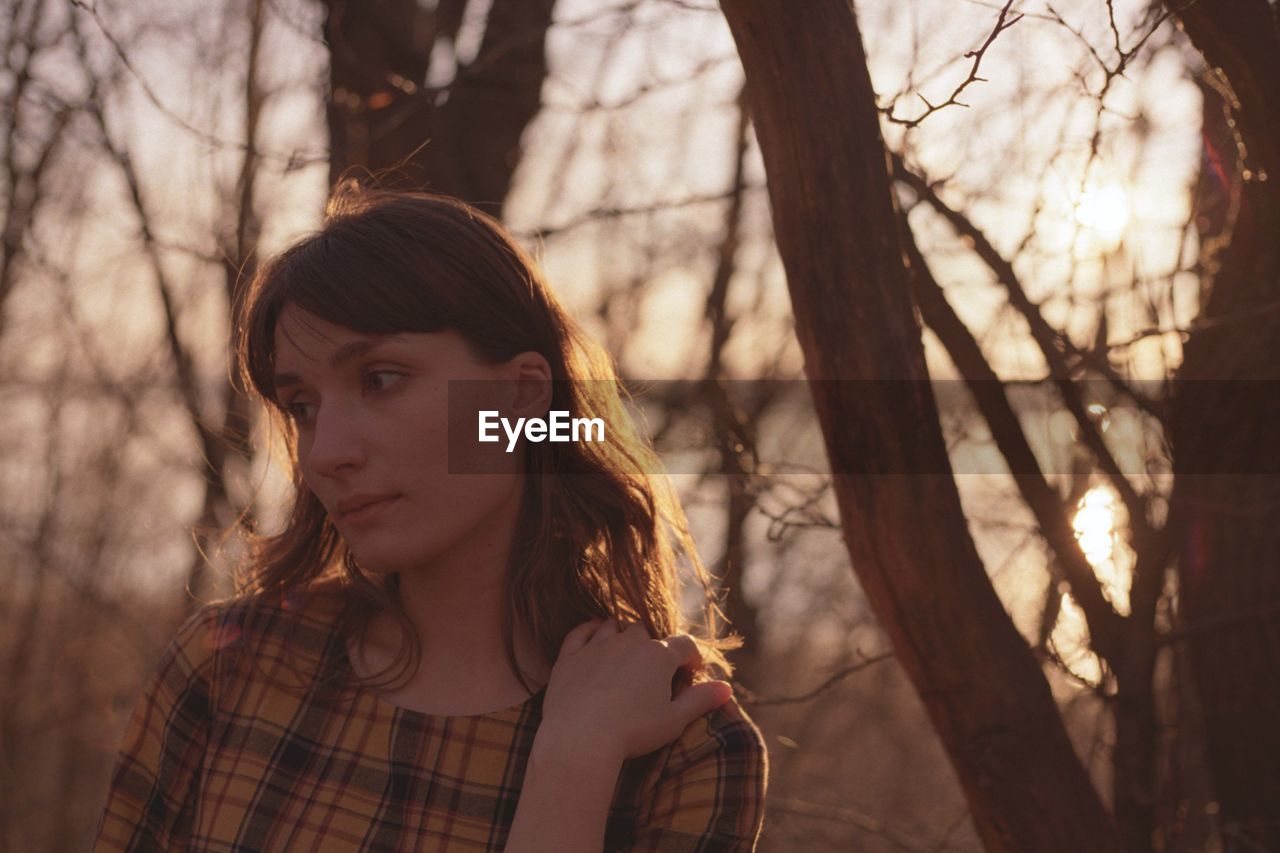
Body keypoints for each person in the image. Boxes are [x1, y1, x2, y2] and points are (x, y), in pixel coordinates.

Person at [93, 184, 768, 851]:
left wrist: (574, 759)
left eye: (380, 379)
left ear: (521, 395)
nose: (324, 453)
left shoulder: (679, 745)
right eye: (303, 406)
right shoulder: (227, 669)